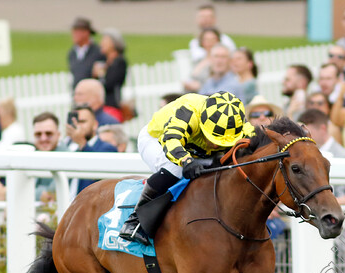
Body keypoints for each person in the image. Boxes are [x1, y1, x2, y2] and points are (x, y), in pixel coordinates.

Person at [118, 92, 254, 244]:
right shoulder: (189, 110)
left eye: (222, 141)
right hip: (158, 139)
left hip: (194, 147)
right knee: (174, 168)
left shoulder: (237, 121)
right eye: (213, 138)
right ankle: (135, 222)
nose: (216, 145)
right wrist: (186, 160)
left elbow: (257, 142)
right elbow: (171, 140)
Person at [65, 105, 118, 194]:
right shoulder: (68, 147)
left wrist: (82, 143)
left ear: (95, 125)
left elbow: (98, 171)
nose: (78, 126)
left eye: (82, 122)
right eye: (75, 122)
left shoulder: (107, 148)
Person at [94, 28, 127, 121]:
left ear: (114, 43)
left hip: (112, 107)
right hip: (101, 107)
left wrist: (100, 74)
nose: (101, 44)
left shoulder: (120, 62)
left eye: (105, 41)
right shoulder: (106, 62)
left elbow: (109, 84)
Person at [68, 17, 105, 89]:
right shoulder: (72, 53)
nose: (74, 34)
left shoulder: (98, 52)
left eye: (77, 31)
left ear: (86, 32)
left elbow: (102, 76)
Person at [184, 27, 221, 92]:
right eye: (207, 40)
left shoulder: (220, 61)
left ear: (217, 41)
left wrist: (200, 86)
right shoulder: (198, 60)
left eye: (213, 39)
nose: (210, 43)